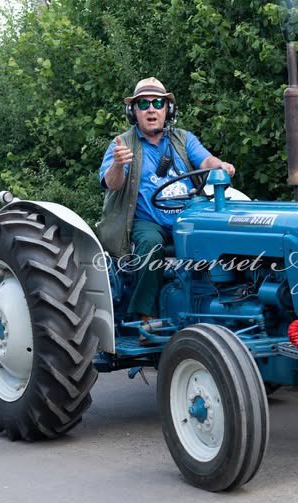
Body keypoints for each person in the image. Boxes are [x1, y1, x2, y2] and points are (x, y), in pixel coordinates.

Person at [96, 77, 236, 325]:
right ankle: (146, 317)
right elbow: (113, 184)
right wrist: (118, 164)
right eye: (143, 104)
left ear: (168, 109)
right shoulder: (122, 145)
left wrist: (220, 166)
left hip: (186, 216)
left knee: (222, 233)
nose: (151, 108)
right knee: (150, 243)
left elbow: (206, 161)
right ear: (133, 112)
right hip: (145, 221)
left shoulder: (183, 139)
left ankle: (224, 306)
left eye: (158, 102)